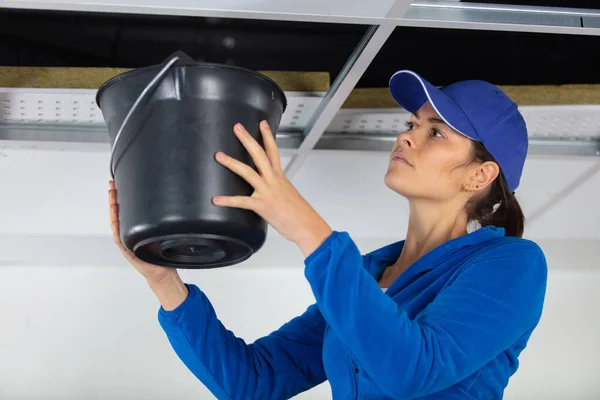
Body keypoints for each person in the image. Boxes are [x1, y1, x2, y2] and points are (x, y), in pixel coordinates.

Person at [108, 70, 548, 399]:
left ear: (481, 175)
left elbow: (412, 369)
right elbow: (253, 381)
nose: (406, 136)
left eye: (436, 133)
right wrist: (164, 281)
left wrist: (306, 227)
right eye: (413, 124)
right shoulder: (368, 274)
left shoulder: (511, 265)